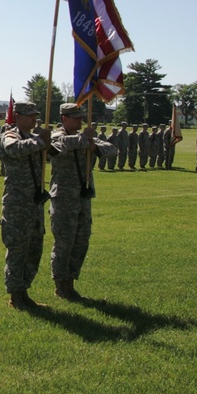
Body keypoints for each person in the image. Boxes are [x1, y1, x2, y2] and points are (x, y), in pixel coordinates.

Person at [47, 103, 117, 302]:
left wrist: (93, 145)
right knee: (64, 242)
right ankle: (61, 285)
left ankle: (70, 282)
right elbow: (57, 147)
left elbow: (112, 149)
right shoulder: (56, 136)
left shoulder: (86, 138)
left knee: (81, 241)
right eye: (75, 117)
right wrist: (83, 139)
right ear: (64, 119)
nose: (80, 120)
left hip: (83, 196)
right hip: (64, 197)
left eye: (81, 117)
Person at [0, 102, 51, 310]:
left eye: (35, 115)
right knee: (18, 250)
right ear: (17, 116)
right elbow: (14, 150)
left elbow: (53, 151)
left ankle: (23, 290)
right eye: (29, 116)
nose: (34, 119)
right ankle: (16, 295)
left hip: (34, 203)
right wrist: (40, 141)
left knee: (33, 250)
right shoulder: (10, 135)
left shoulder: (33, 137)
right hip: (17, 204)